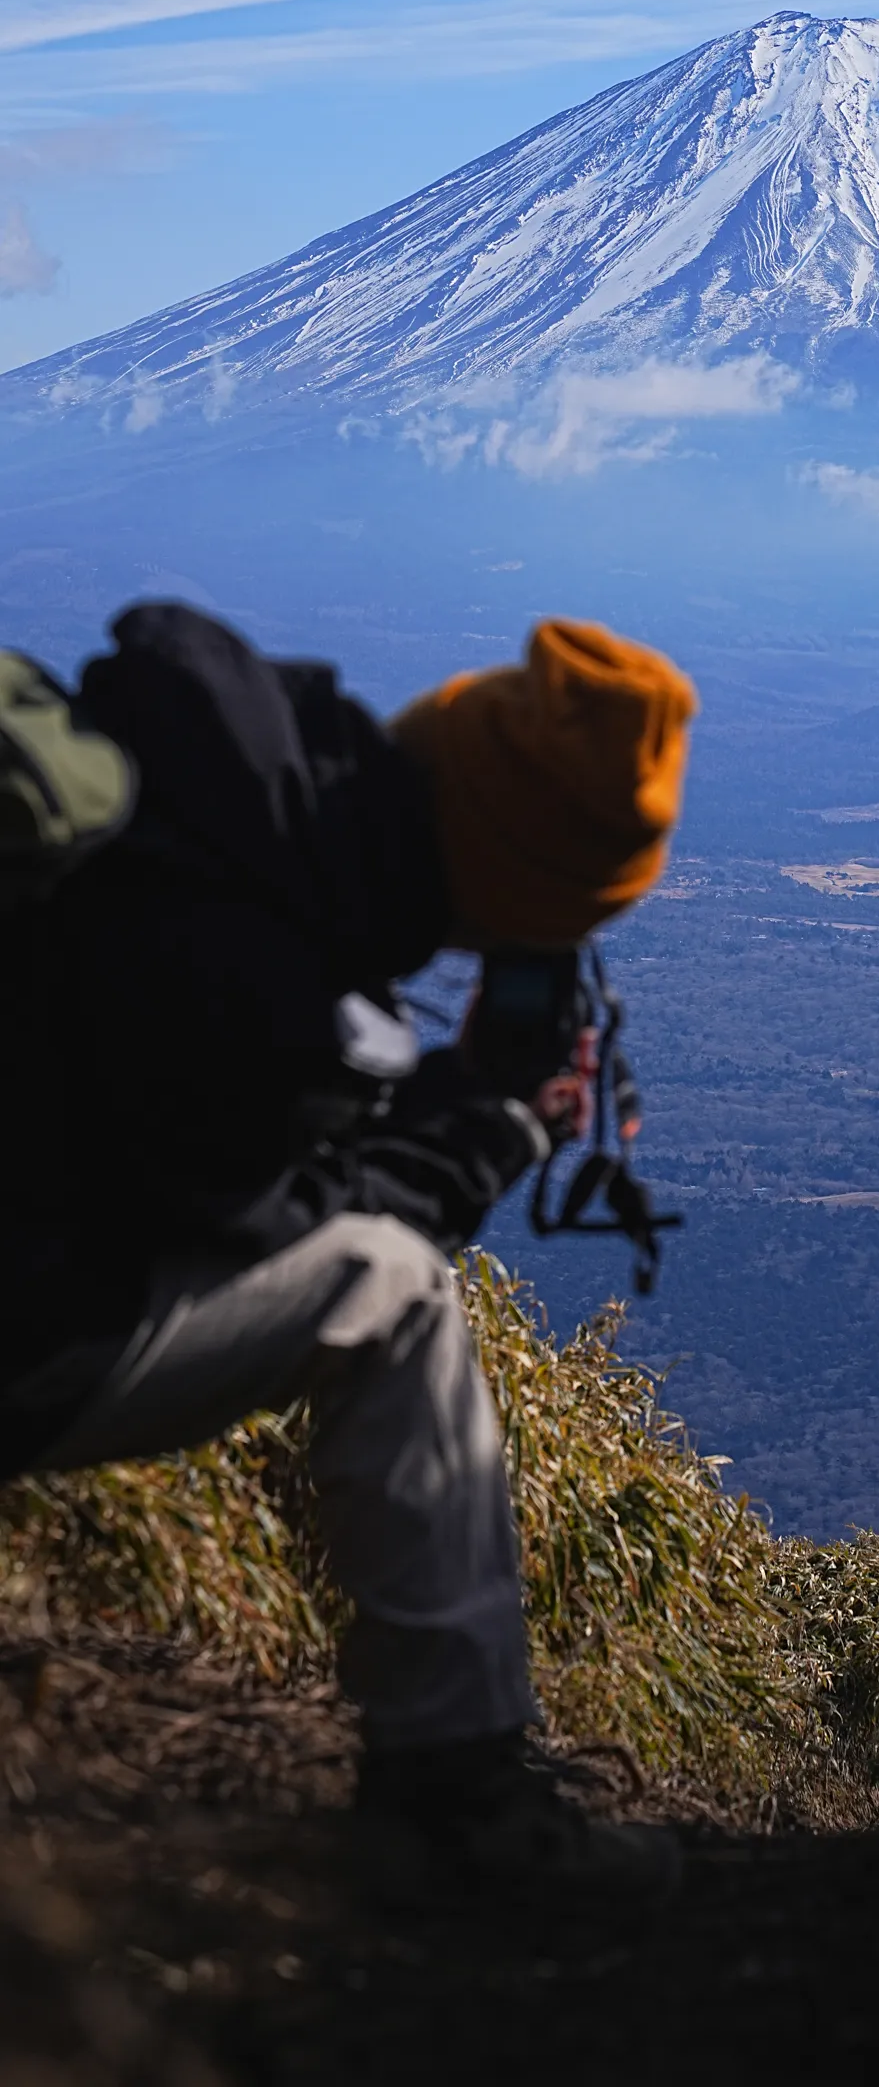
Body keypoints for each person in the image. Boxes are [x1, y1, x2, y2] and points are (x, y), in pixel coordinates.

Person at [0, 600, 697, 1898]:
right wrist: (481, 1131)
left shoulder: (192, 785)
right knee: (396, 1291)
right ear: (513, 896)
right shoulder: (246, 963)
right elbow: (245, 1216)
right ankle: (461, 1805)